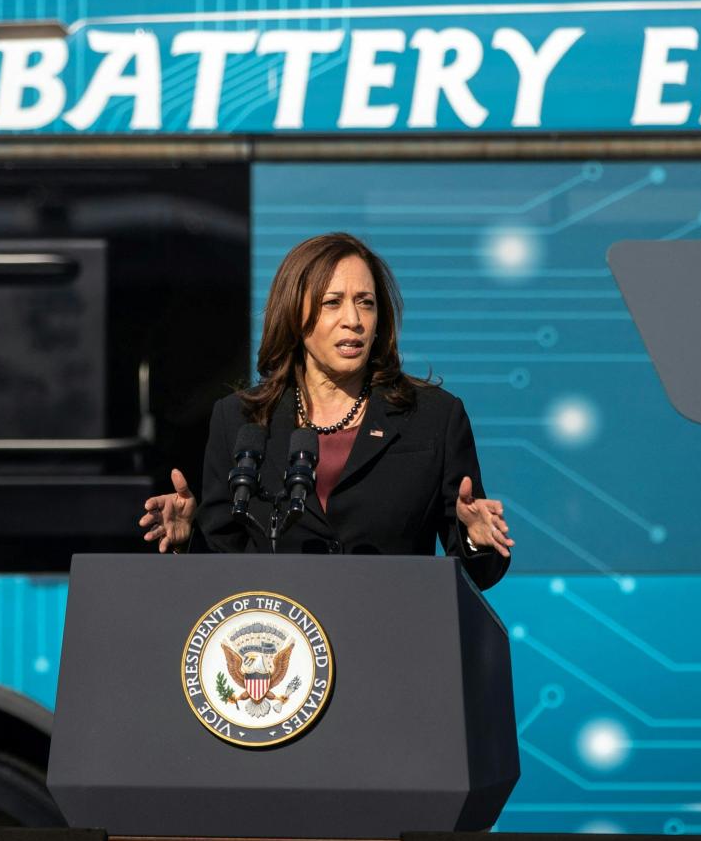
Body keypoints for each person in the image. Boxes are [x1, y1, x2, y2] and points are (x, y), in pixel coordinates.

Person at [138, 232, 513, 590]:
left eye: (365, 302)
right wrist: (187, 541)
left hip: (393, 638)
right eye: (333, 302)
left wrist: (476, 541)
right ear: (294, 314)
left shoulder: (434, 416)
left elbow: (474, 576)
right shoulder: (238, 420)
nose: (354, 319)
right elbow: (225, 568)